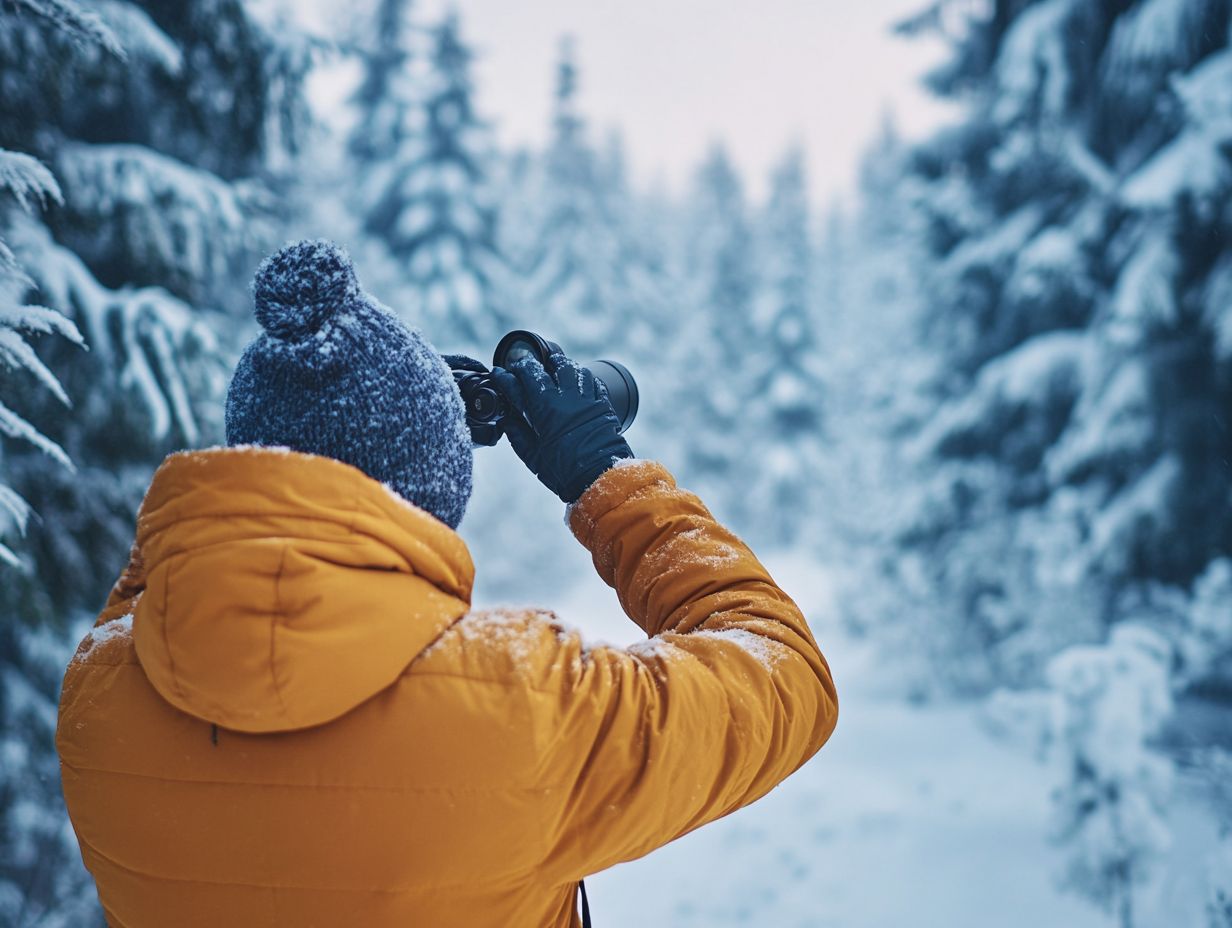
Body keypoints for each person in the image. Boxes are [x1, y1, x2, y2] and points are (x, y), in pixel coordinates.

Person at [57, 240, 838, 928]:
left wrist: (361, 423)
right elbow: (785, 670)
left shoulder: (101, 701)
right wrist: (605, 473)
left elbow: (177, 563)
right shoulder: (523, 707)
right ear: (431, 489)